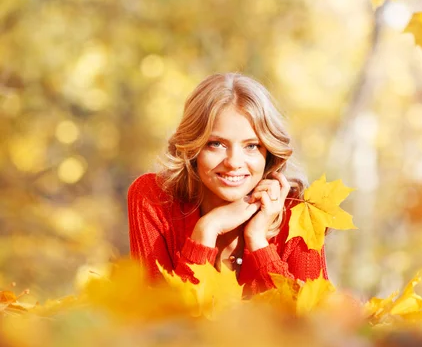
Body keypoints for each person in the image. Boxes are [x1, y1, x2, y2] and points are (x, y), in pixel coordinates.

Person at [127, 72, 328, 296]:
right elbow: (155, 320)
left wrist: (258, 241)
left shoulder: (300, 213)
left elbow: (312, 322)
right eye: (216, 144)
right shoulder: (153, 197)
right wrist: (206, 230)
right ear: (193, 148)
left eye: (251, 146)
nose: (234, 162)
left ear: (268, 152)